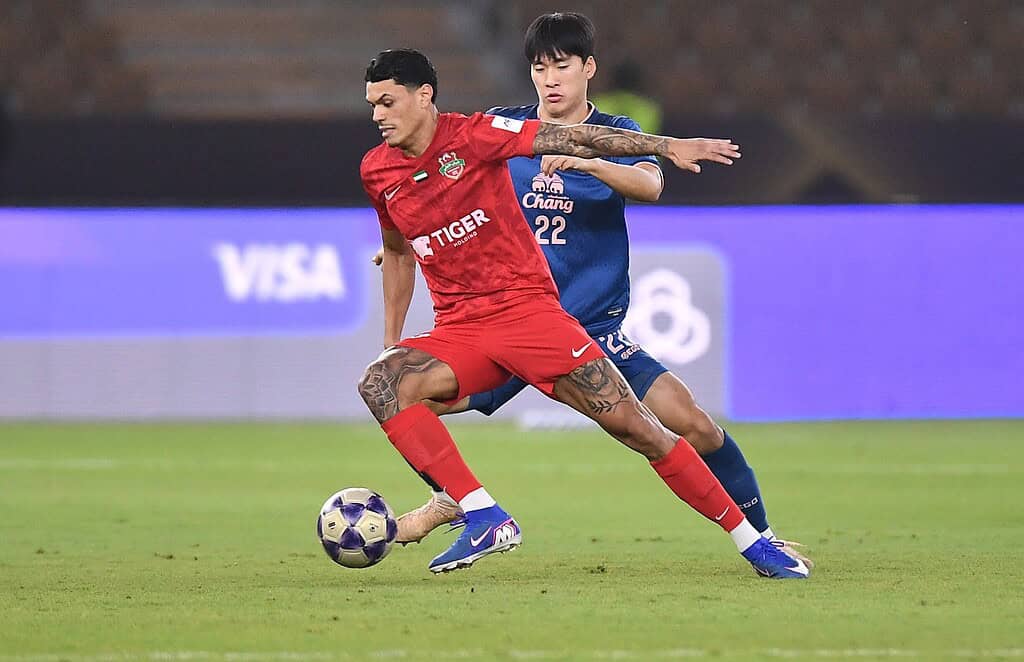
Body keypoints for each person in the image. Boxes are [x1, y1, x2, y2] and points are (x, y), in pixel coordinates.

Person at [358, 47, 808, 579]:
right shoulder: (377, 170)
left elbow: (574, 136)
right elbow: (398, 252)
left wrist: (665, 146)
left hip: (532, 318)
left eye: (387, 102)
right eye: (372, 105)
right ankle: (481, 512)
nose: (377, 115)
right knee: (384, 383)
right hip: (463, 329)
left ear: (423, 95)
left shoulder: (476, 135)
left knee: (645, 431)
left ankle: (754, 542)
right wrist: (392, 342)